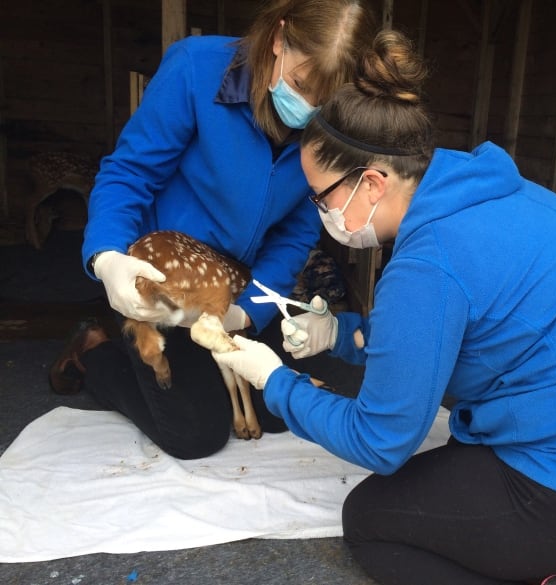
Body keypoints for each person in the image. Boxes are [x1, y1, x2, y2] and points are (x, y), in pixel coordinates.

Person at [212, 29, 556, 585]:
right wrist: (337, 334)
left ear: (371, 182)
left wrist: (276, 382)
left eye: (322, 197)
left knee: (370, 520)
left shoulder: (428, 266)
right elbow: (429, 338)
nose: (320, 212)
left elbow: (379, 440)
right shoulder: (490, 188)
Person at [48, 0, 378, 460]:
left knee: (286, 408)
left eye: (324, 103)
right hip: (172, 286)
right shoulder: (196, 68)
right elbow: (129, 173)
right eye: (301, 85)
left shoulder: (330, 125)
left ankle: (200, 371)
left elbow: (296, 235)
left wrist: (245, 314)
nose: (307, 109)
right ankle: (97, 350)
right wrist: (106, 257)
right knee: (195, 436)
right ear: (279, 38)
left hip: (236, 285)